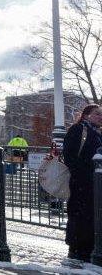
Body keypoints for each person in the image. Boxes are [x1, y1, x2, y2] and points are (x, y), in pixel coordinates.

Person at [63, 103, 102, 263]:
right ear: (86, 115)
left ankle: (92, 247)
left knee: (94, 215)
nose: (101, 117)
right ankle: (78, 249)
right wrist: (81, 174)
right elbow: (69, 155)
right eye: (97, 114)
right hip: (82, 182)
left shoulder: (98, 133)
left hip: (96, 182)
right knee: (80, 215)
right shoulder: (78, 129)